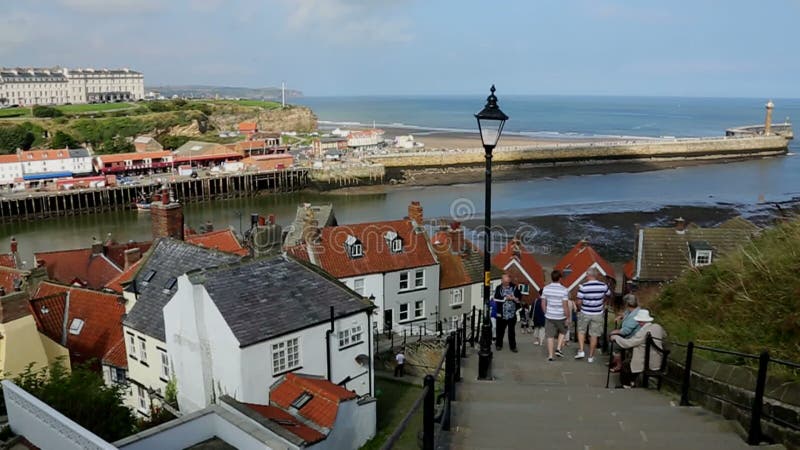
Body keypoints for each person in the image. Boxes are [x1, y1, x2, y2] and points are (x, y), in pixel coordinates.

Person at [611, 309, 666, 387]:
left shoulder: (643, 332)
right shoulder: (658, 327)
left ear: (641, 321)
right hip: (657, 358)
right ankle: (632, 382)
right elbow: (664, 335)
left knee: (626, 365)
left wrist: (616, 338)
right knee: (629, 360)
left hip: (646, 361)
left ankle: (626, 385)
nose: (638, 323)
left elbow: (628, 343)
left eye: (639, 321)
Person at [575, 267, 611, 363]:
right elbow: (608, 294)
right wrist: (603, 303)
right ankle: (591, 356)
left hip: (585, 312)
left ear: (589, 275)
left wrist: (580, 307)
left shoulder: (583, 287)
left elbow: (578, 301)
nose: (586, 276)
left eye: (586, 275)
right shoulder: (603, 286)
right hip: (598, 313)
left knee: (581, 331)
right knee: (594, 335)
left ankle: (581, 350)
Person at [542, 270, 570, 361]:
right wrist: (568, 317)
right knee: (563, 331)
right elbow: (565, 306)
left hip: (549, 315)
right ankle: (558, 348)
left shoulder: (546, 288)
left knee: (550, 336)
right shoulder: (564, 290)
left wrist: (546, 312)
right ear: (560, 278)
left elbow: (543, 303)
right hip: (560, 316)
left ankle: (550, 356)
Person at [609, 294, 641, 372]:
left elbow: (626, 331)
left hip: (631, 337)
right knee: (610, 336)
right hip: (627, 335)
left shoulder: (635, 315)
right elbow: (625, 314)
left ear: (627, 304)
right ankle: (615, 359)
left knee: (614, 344)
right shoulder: (632, 310)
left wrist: (615, 332)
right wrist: (620, 316)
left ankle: (618, 365)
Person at [493, 273, 522, 352]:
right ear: (502, 281)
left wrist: (513, 298)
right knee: (500, 330)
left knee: (511, 331)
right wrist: (505, 298)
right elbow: (496, 298)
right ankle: (499, 344)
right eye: (505, 282)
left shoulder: (515, 287)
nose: (507, 284)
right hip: (501, 313)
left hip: (511, 313)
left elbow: (519, 298)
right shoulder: (498, 288)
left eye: (508, 282)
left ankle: (513, 346)